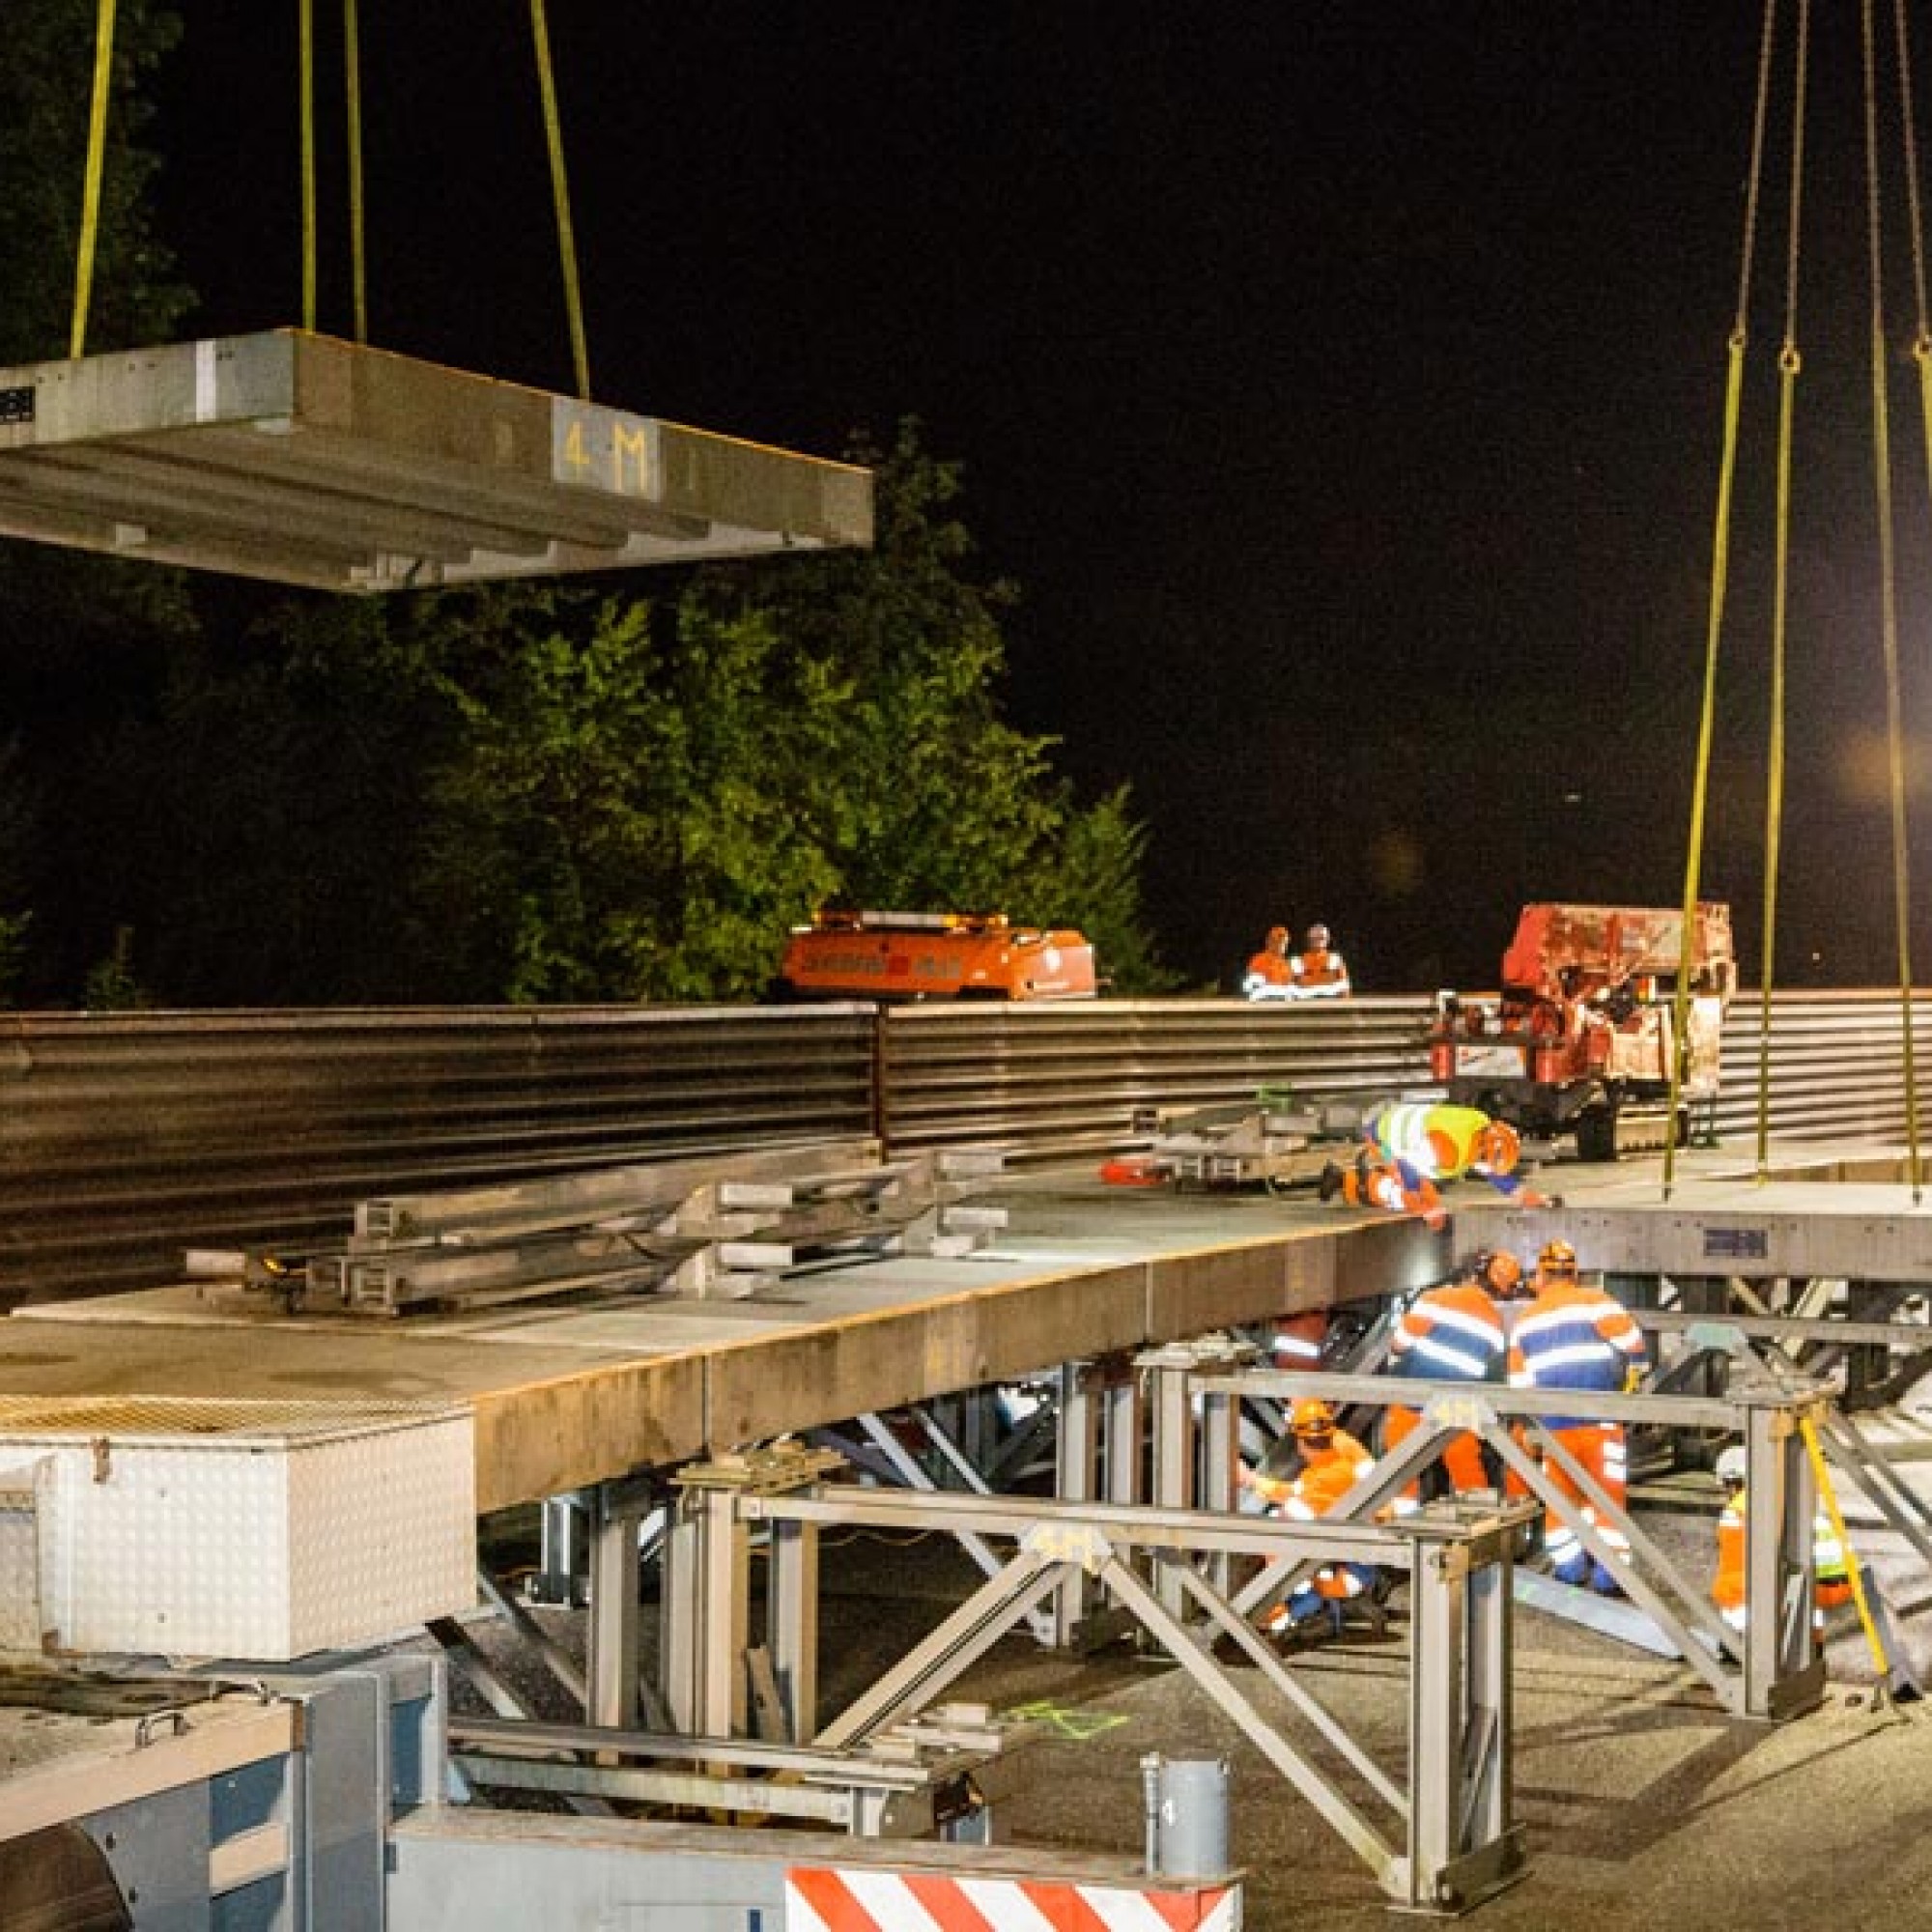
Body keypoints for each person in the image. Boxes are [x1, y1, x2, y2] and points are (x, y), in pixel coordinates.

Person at [1507, 1239, 1648, 1594]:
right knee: (1606, 1498)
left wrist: (1526, 1429)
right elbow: (1634, 1345)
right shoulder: (1597, 1302)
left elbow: (1519, 1386)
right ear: (1576, 1273)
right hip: (1601, 1423)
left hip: (1554, 1429)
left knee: (1563, 1501)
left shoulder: (1525, 1322)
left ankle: (1570, 1569)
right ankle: (1609, 1575)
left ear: (1540, 1275)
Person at [1382, 1249, 1519, 1499]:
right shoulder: (1494, 1322)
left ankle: (1398, 1525)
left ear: (1473, 1274)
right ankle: (1479, 1519)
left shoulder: (1436, 1298)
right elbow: (1492, 1364)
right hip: (1460, 1403)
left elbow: (1399, 1344)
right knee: (1466, 1467)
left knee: (1398, 1472)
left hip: (1414, 1397)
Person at [1239, 1397, 1378, 1634]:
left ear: (1302, 1442)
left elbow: (1290, 1495)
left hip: (1349, 1574)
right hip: (1361, 1558)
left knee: (1279, 1523)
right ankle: (1308, 1602)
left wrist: (1250, 1480)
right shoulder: (1342, 1453)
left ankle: (1298, 1609)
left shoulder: (1322, 1478)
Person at [1319, 1101, 1555, 1231]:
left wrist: (1526, 1196)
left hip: (1403, 1132)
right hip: (1384, 1138)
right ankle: (1343, 1181)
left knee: (1427, 1196)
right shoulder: (1446, 1149)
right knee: (1405, 1197)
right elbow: (1406, 1165)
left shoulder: (1481, 1129)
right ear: (1482, 1148)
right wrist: (1422, 1207)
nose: (1486, 1168)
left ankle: (1344, 1178)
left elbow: (1496, 1175)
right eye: (1486, 1161)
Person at [1710, 1443, 1856, 1634]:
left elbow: (1735, 1568)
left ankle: (1744, 1641)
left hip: (1808, 1591)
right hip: (1839, 1589)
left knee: (1729, 1588)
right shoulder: (1794, 1493)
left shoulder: (1738, 1509)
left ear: (1733, 1482)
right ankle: (1809, 1642)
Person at [1290, 923, 1351, 998]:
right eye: (1315, 938)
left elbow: (1344, 985)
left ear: (1328, 939)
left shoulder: (1335, 958)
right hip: (1305, 1000)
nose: (1318, 941)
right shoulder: (1296, 961)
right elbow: (1293, 985)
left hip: (1330, 1000)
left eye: (1321, 938)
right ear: (1309, 938)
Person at [1242, 924, 1295, 1001]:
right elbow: (1250, 983)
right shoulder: (1259, 959)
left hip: (1282, 997)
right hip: (1264, 996)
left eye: (1283, 942)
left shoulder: (1287, 964)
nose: (1280, 945)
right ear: (1268, 942)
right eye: (1276, 941)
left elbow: (1290, 984)